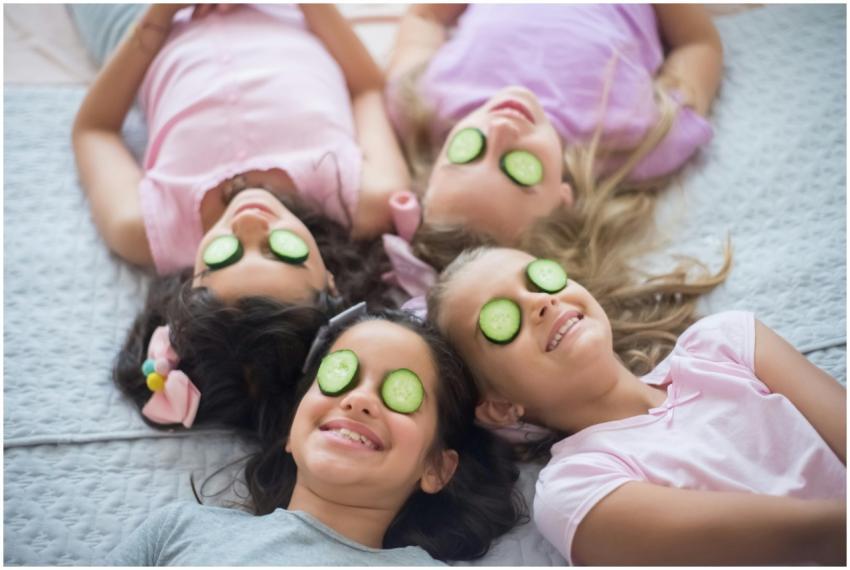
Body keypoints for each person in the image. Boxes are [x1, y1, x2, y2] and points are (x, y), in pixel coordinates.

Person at [70, 3, 406, 433]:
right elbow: (367, 88)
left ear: (190, 285)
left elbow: (94, 129)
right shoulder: (362, 197)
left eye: (225, 255)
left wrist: (158, 17)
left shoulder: (148, 228)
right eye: (282, 251)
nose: (249, 223)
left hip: (145, 29)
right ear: (331, 283)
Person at [427, 246, 846, 565]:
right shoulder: (575, 489)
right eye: (501, 319)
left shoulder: (727, 341)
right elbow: (810, 537)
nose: (541, 301)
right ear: (500, 407)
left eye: (538, 280)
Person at [107, 309, 525, 564]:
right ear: (293, 428)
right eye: (339, 376)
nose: (359, 400)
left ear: (436, 467)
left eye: (401, 393)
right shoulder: (180, 530)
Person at [384, 4, 723, 271]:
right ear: (564, 200)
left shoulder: (419, 101)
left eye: (466, 152)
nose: (501, 128)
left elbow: (424, 15)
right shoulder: (633, 143)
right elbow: (698, 44)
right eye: (518, 168)